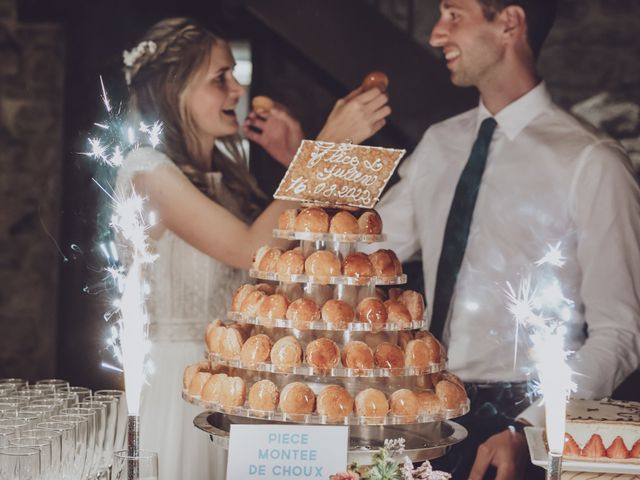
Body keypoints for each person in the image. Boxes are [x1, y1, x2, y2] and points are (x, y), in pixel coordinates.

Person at [371, 1, 640, 479]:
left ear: (509, 23)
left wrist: (530, 427)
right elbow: (366, 254)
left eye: (454, 15)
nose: (436, 35)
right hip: (422, 413)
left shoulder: (592, 162)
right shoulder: (438, 145)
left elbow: (620, 333)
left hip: (526, 424)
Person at [116, 17, 390, 479]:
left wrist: (298, 156)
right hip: (179, 385)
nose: (237, 89)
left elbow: (291, 265)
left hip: (243, 384)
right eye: (219, 78)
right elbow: (251, 250)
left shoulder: (230, 178)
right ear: (173, 89)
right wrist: (323, 148)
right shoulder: (145, 170)